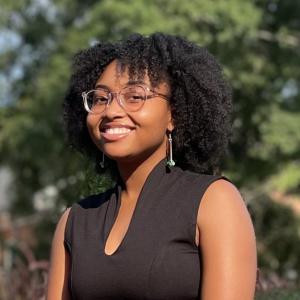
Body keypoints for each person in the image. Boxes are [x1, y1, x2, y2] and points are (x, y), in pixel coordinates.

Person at [46, 33, 257, 300]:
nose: (111, 111)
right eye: (101, 98)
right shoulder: (73, 222)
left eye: (134, 96)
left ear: (174, 114)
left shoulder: (213, 201)